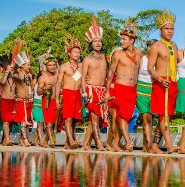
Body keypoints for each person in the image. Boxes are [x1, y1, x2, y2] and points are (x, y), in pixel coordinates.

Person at [106, 18, 142, 152]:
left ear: (132, 40)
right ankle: (128, 142)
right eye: (121, 39)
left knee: (126, 116)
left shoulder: (139, 53)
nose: (121, 41)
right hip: (120, 87)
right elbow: (110, 73)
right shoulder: (118, 54)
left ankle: (115, 144)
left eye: (124, 39)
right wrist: (107, 91)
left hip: (132, 89)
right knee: (121, 116)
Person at [147, 11, 179, 154]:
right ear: (161, 30)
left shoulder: (175, 45)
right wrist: (159, 79)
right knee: (162, 114)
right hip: (161, 82)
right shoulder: (156, 46)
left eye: (171, 29)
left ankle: (154, 145)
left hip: (172, 82)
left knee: (168, 115)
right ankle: (169, 144)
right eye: (167, 28)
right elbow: (150, 67)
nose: (169, 31)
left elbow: (179, 61)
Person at [81, 16, 107, 151]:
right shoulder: (86, 59)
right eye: (95, 41)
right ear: (90, 44)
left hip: (102, 91)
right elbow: (82, 78)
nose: (98, 43)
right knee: (95, 118)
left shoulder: (104, 58)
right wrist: (85, 93)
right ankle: (99, 144)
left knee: (96, 120)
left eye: (99, 41)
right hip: (91, 91)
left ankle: (85, 144)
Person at [135, 39, 164, 154]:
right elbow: (134, 73)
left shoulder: (161, 60)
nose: (150, 48)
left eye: (153, 46)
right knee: (147, 117)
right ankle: (150, 144)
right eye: (148, 46)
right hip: (141, 89)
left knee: (160, 117)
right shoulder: (142, 59)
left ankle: (146, 145)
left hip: (155, 89)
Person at [55, 36, 83, 149]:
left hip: (77, 94)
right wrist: (57, 98)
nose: (77, 54)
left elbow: (82, 80)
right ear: (69, 53)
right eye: (75, 52)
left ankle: (68, 142)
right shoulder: (64, 66)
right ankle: (71, 140)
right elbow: (58, 83)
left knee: (75, 119)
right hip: (67, 93)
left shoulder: (81, 66)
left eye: (78, 52)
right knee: (68, 117)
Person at [13, 51, 34, 147]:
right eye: (27, 65)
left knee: (26, 122)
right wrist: (19, 70)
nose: (29, 66)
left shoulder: (29, 76)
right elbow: (20, 78)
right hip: (21, 101)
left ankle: (22, 139)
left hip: (28, 101)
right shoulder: (16, 75)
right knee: (23, 121)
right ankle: (25, 139)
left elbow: (30, 87)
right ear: (22, 66)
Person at [38, 55, 58, 148]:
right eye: (50, 65)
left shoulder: (58, 75)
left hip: (56, 101)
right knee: (49, 123)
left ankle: (45, 141)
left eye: (54, 65)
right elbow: (38, 92)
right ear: (46, 66)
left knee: (53, 123)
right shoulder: (42, 77)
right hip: (47, 101)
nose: (52, 67)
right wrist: (45, 88)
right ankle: (52, 141)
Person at [0, 55, 16, 146]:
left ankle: (5, 139)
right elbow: (3, 82)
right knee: (6, 121)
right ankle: (8, 139)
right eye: (10, 69)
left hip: (13, 102)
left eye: (12, 69)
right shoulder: (3, 78)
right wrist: (6, 72)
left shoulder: (16, 79)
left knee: (11, 121)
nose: (11, 71)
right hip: (4, 101)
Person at [32, 71, 45, 147]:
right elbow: (31, 92)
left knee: (40, 123)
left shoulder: (45, 82)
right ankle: (41, 140)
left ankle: (35, 142)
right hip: (36, 103)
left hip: (42, 103)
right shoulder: (35, 82)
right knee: (39, 122)